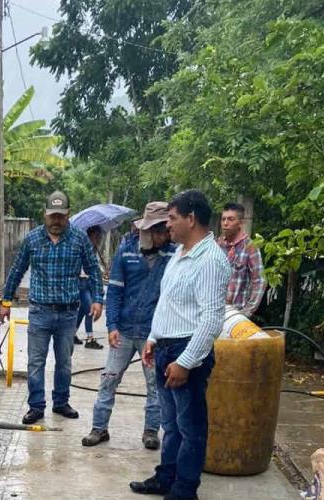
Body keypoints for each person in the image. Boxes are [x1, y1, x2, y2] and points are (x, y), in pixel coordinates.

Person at [130, 190, 231, 500]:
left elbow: (212, 319)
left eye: (172, 218)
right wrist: (153, 338)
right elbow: (168, 303)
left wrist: (186, 362)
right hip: (166, 348)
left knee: (191, 429)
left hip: (187, 351)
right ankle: (166, 479)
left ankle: (184, 491)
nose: (167, 225)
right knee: (171, 425)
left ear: (191, 218)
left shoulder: (211, 259)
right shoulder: (180, 253)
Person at [0, 190, 104, 425]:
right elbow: (17, 271)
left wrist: (98, 298)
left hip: (68, 313)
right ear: (45, 215)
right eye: (52, 216)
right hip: (39, 312)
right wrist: (6, 302)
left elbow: (94, 270)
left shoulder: (79, 240)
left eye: (61, 216)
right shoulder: (32, 239)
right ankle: (36, 406)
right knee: (36, 361)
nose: (56, 221)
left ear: (68, 215)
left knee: (64, 361)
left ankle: (61, 402)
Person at [82, 202, 176, 450]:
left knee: (155, 385)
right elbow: (114, 291)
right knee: (109, 379)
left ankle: (151, 431)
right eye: (158, 230)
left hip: (154, 334)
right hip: (124, 329)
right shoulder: (126, 250)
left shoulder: (174, 254)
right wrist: (112, 325)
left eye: (165, 229)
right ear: (147, 230)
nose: (163, 235)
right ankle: (99, 428)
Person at [218, 202, 266, 317]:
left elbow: (260, 281)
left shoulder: (250, 247)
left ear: (241, 222)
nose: (225, 223)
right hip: (214, 313)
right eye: (223, 219)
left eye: (230, 219)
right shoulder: (218, 245)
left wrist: (246, 312)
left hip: (236, 315)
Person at [74, 225, 105, 349]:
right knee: (90, 310)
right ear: (90, 236)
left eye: (99, 237)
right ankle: (90, 339)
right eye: (96, 236)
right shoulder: (82, 248)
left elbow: (95, 267)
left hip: (89, 283)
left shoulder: (93, 249)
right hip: (82, 283)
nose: (98, 239)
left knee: (82, 311)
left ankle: (72, 334)